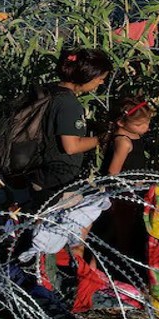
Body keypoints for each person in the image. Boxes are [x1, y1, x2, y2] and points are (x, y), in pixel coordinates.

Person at [31, 48, 114, 207]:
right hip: (57, 180)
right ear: (87, 76)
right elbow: (71, 146)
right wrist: (101, 138)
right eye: (100, 78)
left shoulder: (50, 90)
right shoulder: (69, 104)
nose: (101, 82)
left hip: (40, 172)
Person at [100, 96, 152, 176]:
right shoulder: (124, 142)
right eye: (138, 125)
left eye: (147, 122)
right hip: (125, 185)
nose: (146, 127)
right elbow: (113, 172)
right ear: (121, 122)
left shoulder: (133, 134)